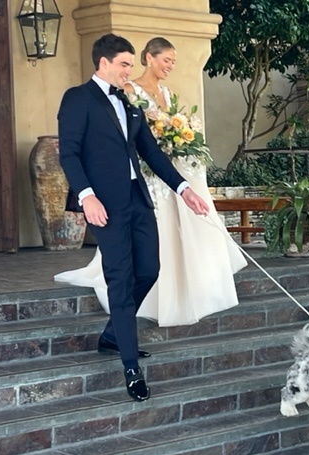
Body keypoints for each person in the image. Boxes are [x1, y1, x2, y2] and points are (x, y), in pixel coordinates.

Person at [57, 33, 210, 403]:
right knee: (121, 278)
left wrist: (184, 190)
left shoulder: (128, 102)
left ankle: (113, 334)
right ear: (104, 62)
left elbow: (152, 153)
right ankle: (130, 368)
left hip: (138, 200)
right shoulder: (78, 98)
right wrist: (87, 196)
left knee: (149, 270)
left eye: (130, 64)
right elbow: (69, 154)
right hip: (103, 205)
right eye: (124, 64)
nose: (129, 70)